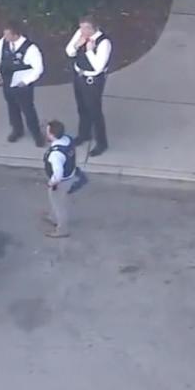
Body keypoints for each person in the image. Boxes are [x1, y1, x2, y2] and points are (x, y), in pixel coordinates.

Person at [64, 14, 112, 156]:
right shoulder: (80, 34)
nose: (82, 31)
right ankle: (84, 134)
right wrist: (76, 45)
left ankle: (101, 142)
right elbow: (69, 52)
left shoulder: (104, 43)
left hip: (93, 80)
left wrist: (90, 50)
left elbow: (98, 66)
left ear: (94, 28)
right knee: (82, 107)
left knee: (95, 111)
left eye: (86, 28)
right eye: (81, 27)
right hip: (79, 75)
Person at [0, 20, 45, 147]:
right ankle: (17, 129)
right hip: (7, 80)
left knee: (28, 109)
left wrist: (25, 81)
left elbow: (38, 68)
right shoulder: (3, 43)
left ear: (15, 35)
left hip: (22, 84)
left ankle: (37, 135)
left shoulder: (30, 49)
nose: (5, 37)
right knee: (12, 107)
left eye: (7, 35)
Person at [43, 120, 78, 238]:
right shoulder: (68, 140)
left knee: (59, 205)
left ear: (52, 135)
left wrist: (52, 182)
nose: (46, 133)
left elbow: (58, 174)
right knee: (56, 201)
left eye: (47, 131)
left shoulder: (55, 154)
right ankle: (53, 217)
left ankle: (62, 229)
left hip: (61, 182)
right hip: (70, 175)